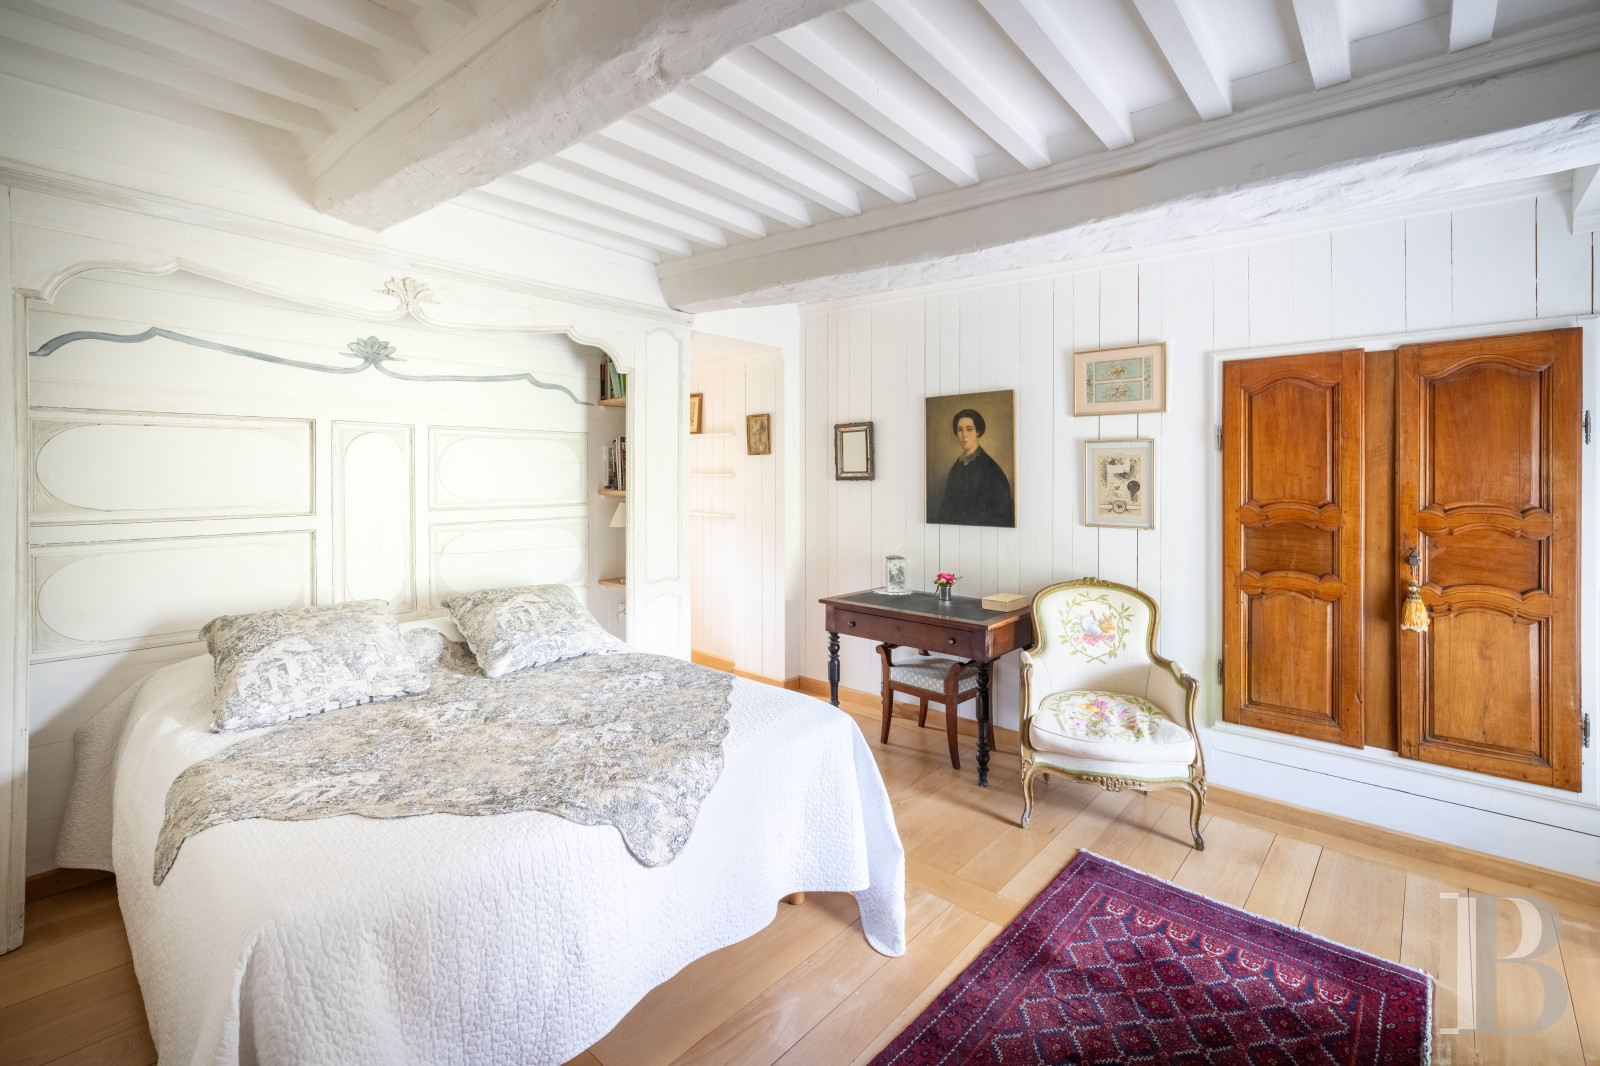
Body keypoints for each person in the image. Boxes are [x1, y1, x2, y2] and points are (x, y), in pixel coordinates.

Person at [935, 408, 1014, 526]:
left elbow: (1001, 513)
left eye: (969, 429)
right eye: (959, 430)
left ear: (978, 431)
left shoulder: (990, 468)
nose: (964, 435)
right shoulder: (956, 467)